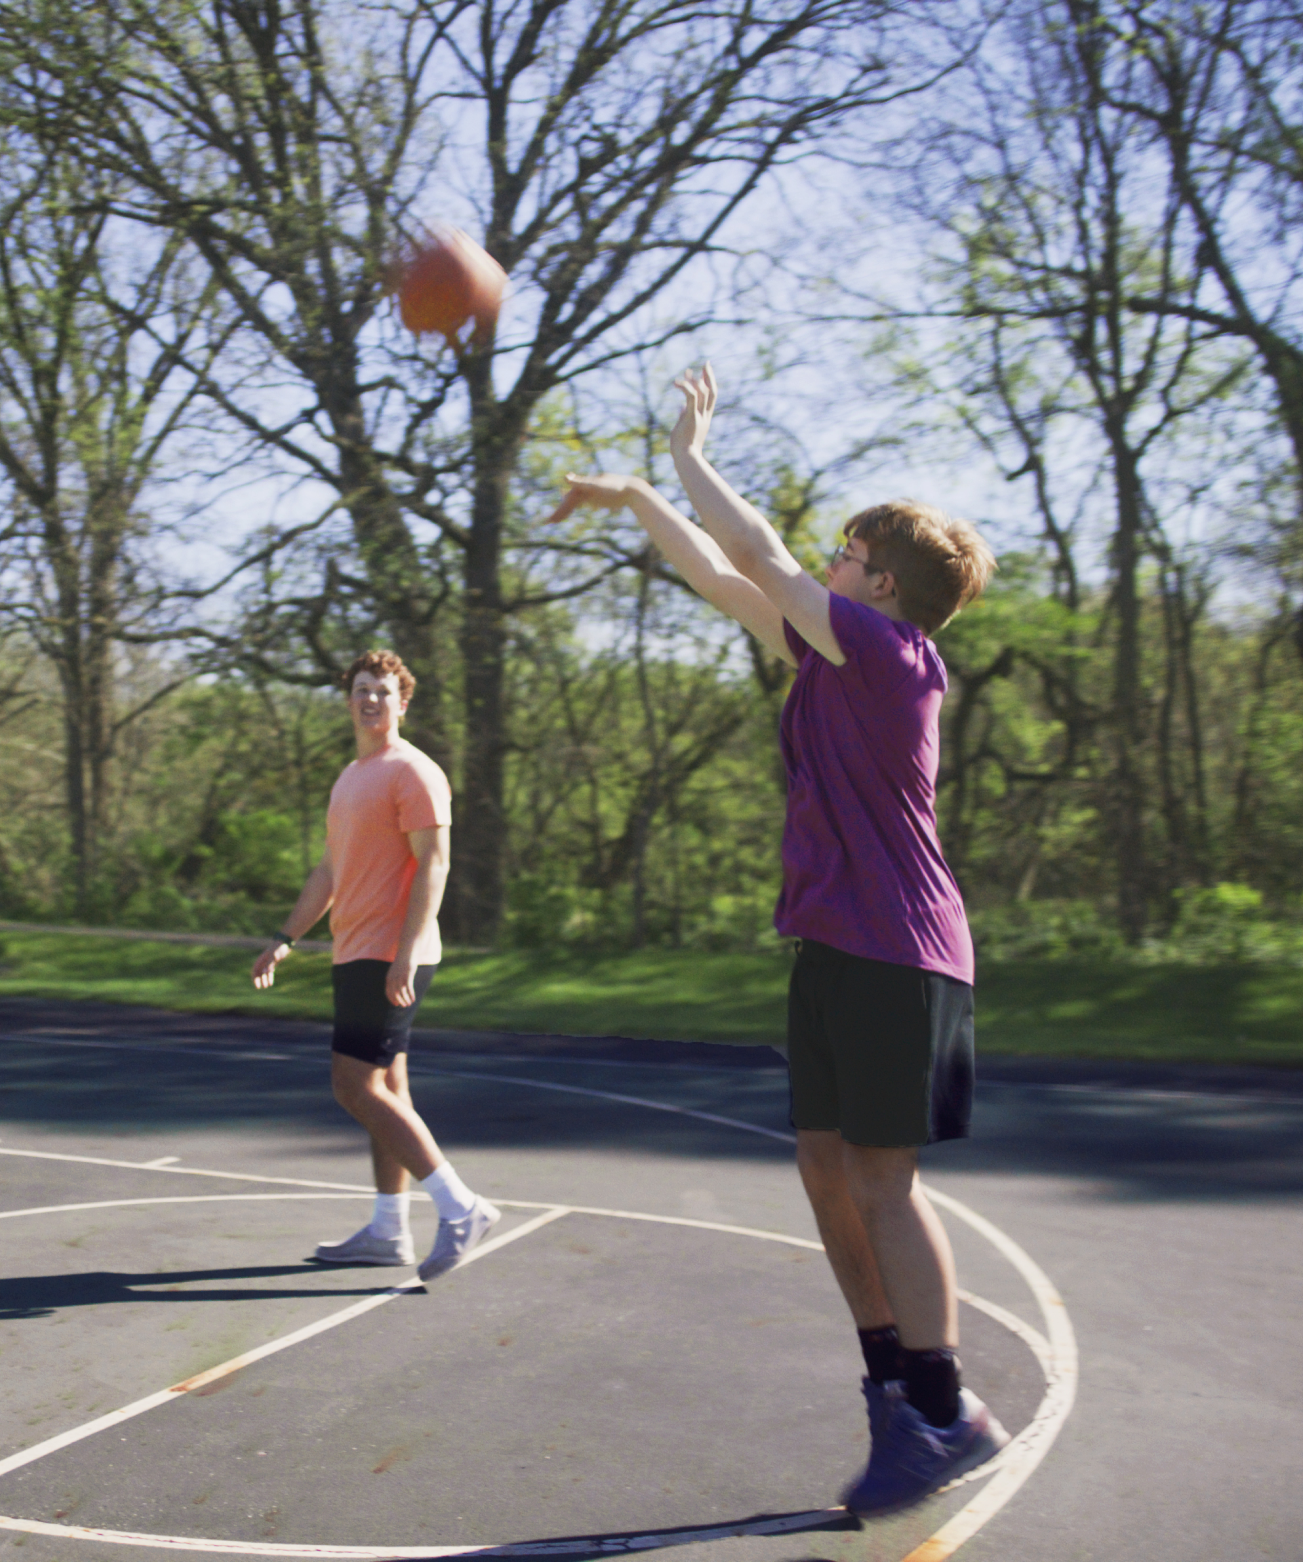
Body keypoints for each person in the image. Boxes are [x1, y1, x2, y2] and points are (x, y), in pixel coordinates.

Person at [547, 365, 1003, 1517]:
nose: (826, 560)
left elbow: (755, 551)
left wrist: (694, 452)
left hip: (900, 950)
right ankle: (892, 1387)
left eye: (844, 553)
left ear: (880, 580)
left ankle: (946, 1410)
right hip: (835, 942)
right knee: (822, 1167)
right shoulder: (828, 655)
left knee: (884, 1183)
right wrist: (643, 494)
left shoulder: (894, 660)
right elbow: (721, 573)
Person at [251, 650, 500, 1283]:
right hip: (354, 950)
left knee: (351, 1086)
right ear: (348, 699)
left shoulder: (414, 772)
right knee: (387, 1090)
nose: (371, 701)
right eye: (362, 690)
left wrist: (405, 954)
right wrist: (286, 936)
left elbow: (434, 866)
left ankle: (460, 1206)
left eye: (383, 692)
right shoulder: (352, 777)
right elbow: (331, 870)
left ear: (403, 702)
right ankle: (389, 1230)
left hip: (389, 955)